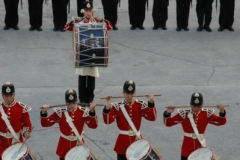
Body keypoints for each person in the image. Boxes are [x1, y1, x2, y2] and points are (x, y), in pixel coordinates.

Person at [65, 1, 112, 104]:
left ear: (92, 11)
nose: (88, 12)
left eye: (90, 10)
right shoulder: (79, 22)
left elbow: (109, 27)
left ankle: (90, 99)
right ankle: (82, 99)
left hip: (94, 53)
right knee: (82, 79)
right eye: (86, 11)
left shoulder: (97, 21)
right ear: (83, 12)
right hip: (83, 53)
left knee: (91, 79)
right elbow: (67, 28)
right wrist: (73, 22)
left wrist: (104, 21)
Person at [102, 80, 157, 160]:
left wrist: (151, 103)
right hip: (122, 142)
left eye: (131, 94)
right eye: (127, 93)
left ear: (134, 94)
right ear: (123, 93)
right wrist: (107, 107)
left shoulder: (140, 105)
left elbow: (152, 118)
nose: (129, 96)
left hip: (137, 140)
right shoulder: (117, 106)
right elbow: (107, 121)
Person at [163, 92, 227, 160]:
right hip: (187, 148)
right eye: (194, 106)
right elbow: (168, 123)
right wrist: (168, 113)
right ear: (190, 104)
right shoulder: (184, 114)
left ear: (202, 105)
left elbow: (221, 121)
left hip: (200, 148)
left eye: (198, 106)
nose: (196, 108)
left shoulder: (206, 114)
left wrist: (222, 112)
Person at [40, 89, 98, 160]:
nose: (72, 105)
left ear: (76, 101)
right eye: (69, 103)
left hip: (78, 144)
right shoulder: (60, 113)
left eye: (74, 103)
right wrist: (44, 112)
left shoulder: (82, 112)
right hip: (64, 145)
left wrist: (92, 111)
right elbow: (45, 124)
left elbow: (93, 125)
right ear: (66, 102)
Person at [0, 82, 32, 157]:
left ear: (14, 95)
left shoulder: (21, 108)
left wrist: (26, 132)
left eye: (10, 96)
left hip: (16, 141)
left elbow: (26, 124)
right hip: (1, 141)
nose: (8, 98)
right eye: (6, 96)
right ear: (2, 96)